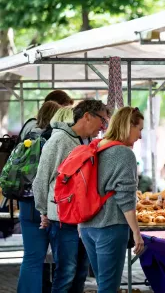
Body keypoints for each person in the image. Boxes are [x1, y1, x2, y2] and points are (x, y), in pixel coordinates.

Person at [33, 99, 110, 293]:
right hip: (63, 219)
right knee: (66, 272)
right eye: (102, 120)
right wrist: (43, 210)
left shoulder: (88, 142)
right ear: (87, 116)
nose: (103, 126)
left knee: (80, 273)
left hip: (84, 219)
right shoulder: (58, 141)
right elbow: (42, 179)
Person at [80, 107, 145, 292]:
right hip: (110, 226)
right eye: (139, 129)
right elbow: (125, 198)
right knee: (109, 287)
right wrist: (136, 233)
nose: (140, 136)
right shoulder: (123, 154)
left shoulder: (96, 146)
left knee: (103, 283)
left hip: (87, 226)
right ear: (128, 126)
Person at [17, 101, 61, 293]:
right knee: (63, 260)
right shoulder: (56, 139)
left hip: (26, 202)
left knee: (32, 259)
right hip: (49, 204)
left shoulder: (28, 135)